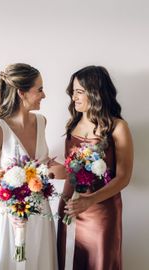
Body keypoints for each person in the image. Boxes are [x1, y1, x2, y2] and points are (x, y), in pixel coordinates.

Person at [0, 63, 63, 270]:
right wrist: (11, 212)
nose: (44, 95)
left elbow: (48, 168)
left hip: (40, 215)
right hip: (9, 218)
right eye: (40, 89)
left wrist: (71, 170)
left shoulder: (42, 122)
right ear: (21, 93)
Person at [57, 65, 133, 270]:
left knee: (101, 262)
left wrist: (90, 200)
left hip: (102, 212)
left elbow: (124, 177)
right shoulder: (72, 125)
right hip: (70, 207)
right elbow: (70, 173)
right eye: (73, 92)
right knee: (69, 260)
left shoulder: (117, 127)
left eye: (79, 92)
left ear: (95, 92)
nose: (74, 97)